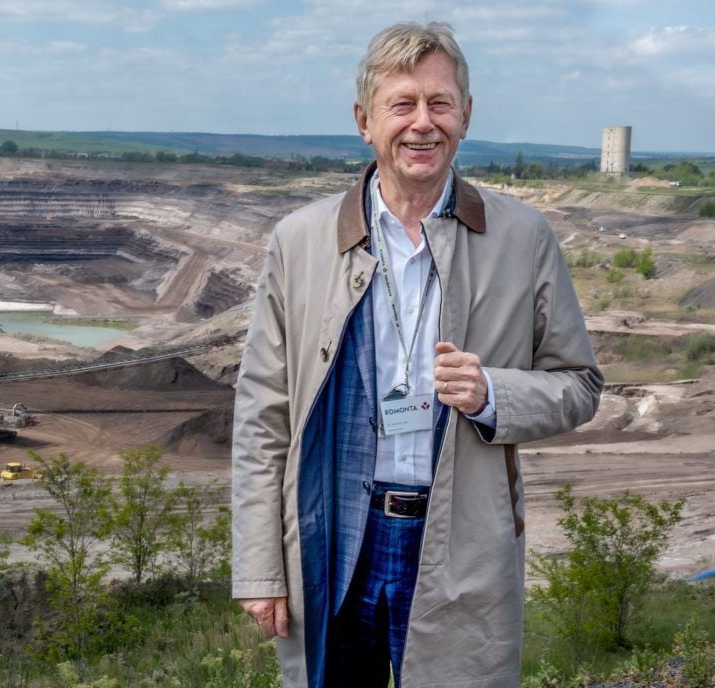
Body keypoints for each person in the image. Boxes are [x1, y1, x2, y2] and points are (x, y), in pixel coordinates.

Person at [231, 21, 603, 688]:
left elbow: (580, 385)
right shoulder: (300, 240)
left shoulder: (523, 238)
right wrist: (261, 569)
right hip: (336, 538)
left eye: (440, 102)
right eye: (402, 104)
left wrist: (495, 394)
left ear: (466, 115)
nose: (422, 123)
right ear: (364, 121)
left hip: (460, 543)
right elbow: (262, 416)